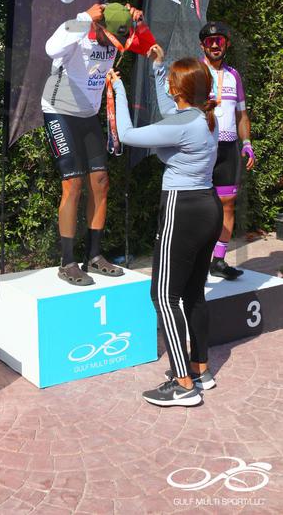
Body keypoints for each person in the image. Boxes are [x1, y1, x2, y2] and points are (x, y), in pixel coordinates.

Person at [108, 47, 223, 406]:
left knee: (163, 296)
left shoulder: (183, 124)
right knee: (193, 293)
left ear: (180, 90)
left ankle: (183, 384)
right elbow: (170, 113)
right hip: (208, 206)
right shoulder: (204, 118)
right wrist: (159, 69)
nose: (169, 89)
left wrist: (118, 88)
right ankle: (200, 369)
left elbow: (127, 134)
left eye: (171, 83)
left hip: (182, 208)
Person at [42, 2, 155, 286]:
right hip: (59, 111)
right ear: (99, 26)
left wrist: (140, 24)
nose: (113, 46)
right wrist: (83, 18)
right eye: (110, 38)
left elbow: (151, 50)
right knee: (73, 183)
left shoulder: (119, 31)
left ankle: (93, 256)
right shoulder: (79, 30)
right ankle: (67, 261)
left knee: (101, 181)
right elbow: (50, 48)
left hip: (88, 115)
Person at [199, 21, 256, 280]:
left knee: (227, 205)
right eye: (210, 42)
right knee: (198, 206)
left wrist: (247, 143)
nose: (215, 45)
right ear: (202, 46)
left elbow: (241, 115)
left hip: (228, 148)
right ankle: (196, 260)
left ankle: (218, 261)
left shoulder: (234, 75)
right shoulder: (195, 70)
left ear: (226, 44)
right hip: (202, 147)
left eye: (219, 41)